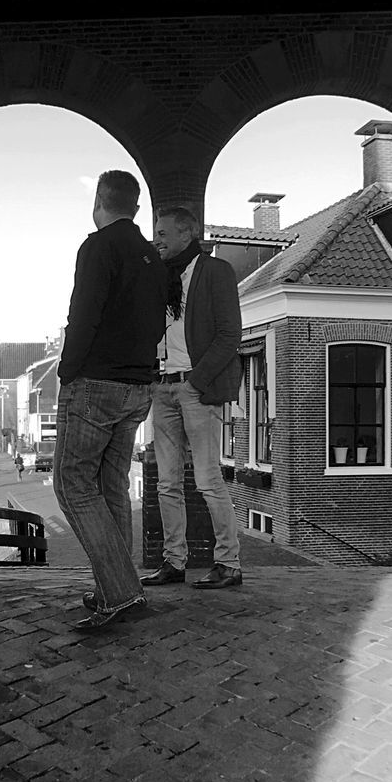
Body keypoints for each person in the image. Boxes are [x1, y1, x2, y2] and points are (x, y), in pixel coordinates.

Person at [53, 170, 167, 632]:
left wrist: (67, 371)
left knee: (72, 485)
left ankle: (120, 591)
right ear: (136, 206)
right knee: (110, 487)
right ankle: (114, 587)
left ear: (100, 200)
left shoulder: (98, 247)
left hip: (95, 384)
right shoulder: (153, 258)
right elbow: (157, 324)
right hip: (138, 387)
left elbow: (83, 315)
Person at [144, 207, 243, 591]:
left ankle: (228, 563)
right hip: (162, 388)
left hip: (195, 390)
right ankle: (173, 562)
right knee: (166, 483)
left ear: (188, 233)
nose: (158, 240)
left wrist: (196, 383)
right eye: (156, 233)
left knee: (206, 479)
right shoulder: (159, 278)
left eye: (164, 233)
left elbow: (229, 335)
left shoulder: (216, 272)